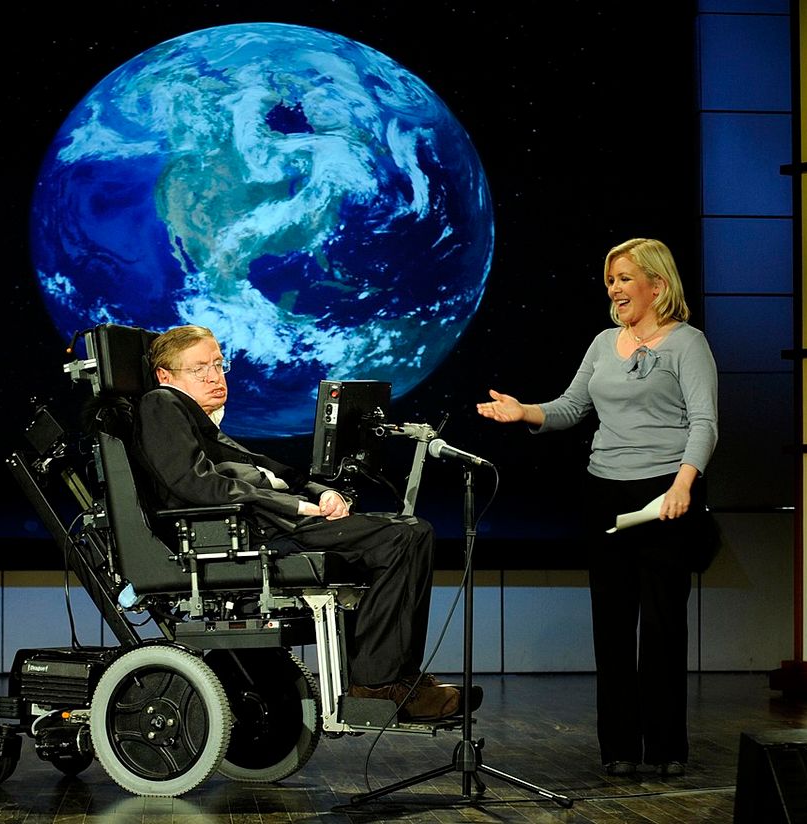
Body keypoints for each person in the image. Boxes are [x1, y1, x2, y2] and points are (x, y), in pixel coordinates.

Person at [134, 324, 463, 721]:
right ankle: (377, 686)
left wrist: (316, 491)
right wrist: (294, 506)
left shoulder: (200, 423)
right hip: (248, 531)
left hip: (266, 522)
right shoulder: (160, 403)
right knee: (403, 537)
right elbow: (194, 484)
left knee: (408, 532)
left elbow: (267, 468)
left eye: (219, 365)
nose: (214, 377)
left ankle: (396, 677)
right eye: (199, 369)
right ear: (165, 376)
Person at [477, 238, 717, 777]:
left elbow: (704, 422)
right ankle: (620, 750)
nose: (614, 288)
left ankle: (666, 747)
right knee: (611, 625)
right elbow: (570, 407)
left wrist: (684, 485)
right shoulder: (605, 341)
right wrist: (525, 413)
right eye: (610, 280)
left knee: (660, 625)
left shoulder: (687, 344)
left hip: (665, 494)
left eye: (625, 278)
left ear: (657, 284)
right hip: (604, 490)